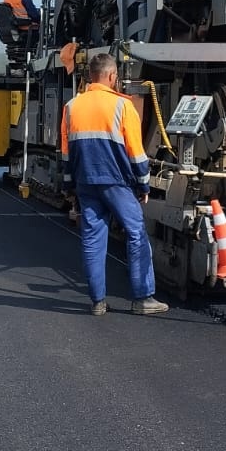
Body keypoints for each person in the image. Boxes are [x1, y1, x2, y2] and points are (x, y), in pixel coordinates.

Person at [59, 52, 168, 316]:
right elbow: (136, 153)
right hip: (116, 183)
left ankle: (97, 301)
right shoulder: (123, 106)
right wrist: (143, 186)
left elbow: (65, 153)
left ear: (90, 77)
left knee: (92, 238)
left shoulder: (72, 106)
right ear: (112, 76)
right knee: (135, 233)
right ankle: (143, 298)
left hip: (86, 182)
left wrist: (69, 186)